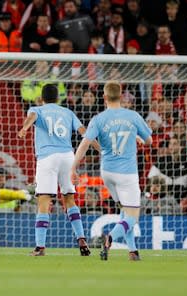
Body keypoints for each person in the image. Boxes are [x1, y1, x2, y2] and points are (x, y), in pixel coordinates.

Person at [71, 80, 152, 261]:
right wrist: (137, 137)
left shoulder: (98, 119)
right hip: (128, 174)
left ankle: (133, 251)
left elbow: (84, 145)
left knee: (125, 210)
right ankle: (110, 238)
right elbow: (150, 141)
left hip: (107, 173)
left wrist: (73, 168)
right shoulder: (133, 116)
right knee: (132, 217)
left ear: (104, 97)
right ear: (122, 95)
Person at [18, 84, 92, 257]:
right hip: (67, 156)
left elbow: (33, 116)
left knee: (44, 200)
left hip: (47, 157)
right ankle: (81, 238)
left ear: (41, 97)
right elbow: (84, 133)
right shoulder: (68, 112)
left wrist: (25, 127)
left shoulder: (37, 109)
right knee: (69, 200)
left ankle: (40, 247)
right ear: (57, 98)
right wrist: (98, 146)